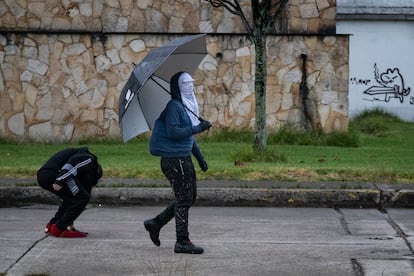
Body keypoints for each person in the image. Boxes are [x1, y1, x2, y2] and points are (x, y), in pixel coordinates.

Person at [144, 71, 212, 254]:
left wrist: (200, 158)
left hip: (184, 158)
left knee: (189, 198)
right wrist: (198, 128)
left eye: (191, 83)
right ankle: (182, 241)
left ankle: (155, 223)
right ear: (177, 87)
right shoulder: (174, 106)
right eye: (186, 84)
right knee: (184, 199)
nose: (190, 86)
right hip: (175, 160)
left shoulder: (185, 106)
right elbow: (174, 133)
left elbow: (188, 136)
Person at [37, 147, 103, 238]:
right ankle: (59, 229)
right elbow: (73, 164)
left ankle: (52, 225)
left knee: (71, 198)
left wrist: (70, 224)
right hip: (56, 175)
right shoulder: (89, 159)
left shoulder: (78, 153)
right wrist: (60, 180)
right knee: (81, 198)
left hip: (44, 175)